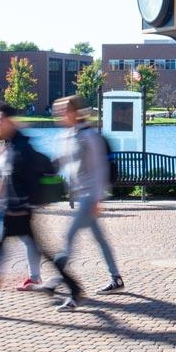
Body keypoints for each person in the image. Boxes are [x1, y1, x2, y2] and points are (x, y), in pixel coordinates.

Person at [0, 108, 85, 314]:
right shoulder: (12, 144)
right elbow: (9, 178)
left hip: (18, 213)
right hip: (15, 212)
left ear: (10, 121)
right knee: (19, 252)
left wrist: (19, 206)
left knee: (3, 253)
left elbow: (27, 182)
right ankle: (74, 288)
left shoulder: (21, 148)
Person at [48, 96, 124, 295]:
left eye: (63, 110)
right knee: (100, 239)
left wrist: (98, 199)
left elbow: (100, 169)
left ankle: (58, 278)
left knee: (70, 235)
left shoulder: (90, 136)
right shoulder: (69, 136)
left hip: (89, 196)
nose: (58, 114)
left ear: (74, 112)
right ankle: (116, 278)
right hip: (81, 194)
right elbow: (65, 162)